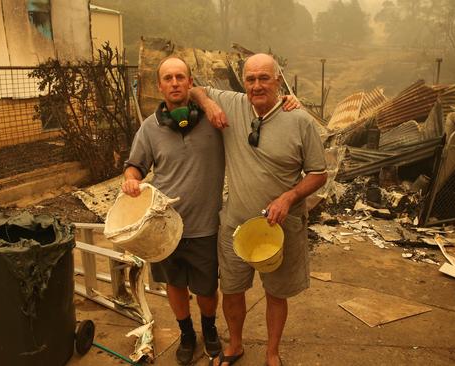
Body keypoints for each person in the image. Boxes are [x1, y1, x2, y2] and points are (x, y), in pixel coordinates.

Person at [190, 53, 328, 366]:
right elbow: (195, 90)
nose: (256, 85)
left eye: (264, 78)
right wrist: (209, 104)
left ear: (278, 81)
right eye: (250, 78)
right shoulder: (234, 104)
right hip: (236, 225)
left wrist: (289, 197)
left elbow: (319, 174)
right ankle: (235, 345)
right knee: (233, 289)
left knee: (276, 293)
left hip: (279, 228)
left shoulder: (300, 120)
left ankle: (272, 353)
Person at [121, 56, 225, 365]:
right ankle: (187, 334)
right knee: (174, 285)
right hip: (164, 230)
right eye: (168, 78)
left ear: (191, 82)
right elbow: (134, 168)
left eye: (181, 77)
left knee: (207, 289)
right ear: (159, 86)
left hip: (205, 225)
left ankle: (209, 330)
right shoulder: (150, 129)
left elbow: (254, 106)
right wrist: (130, 181)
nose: (175, 82)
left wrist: (286, 100)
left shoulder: (213, 119)